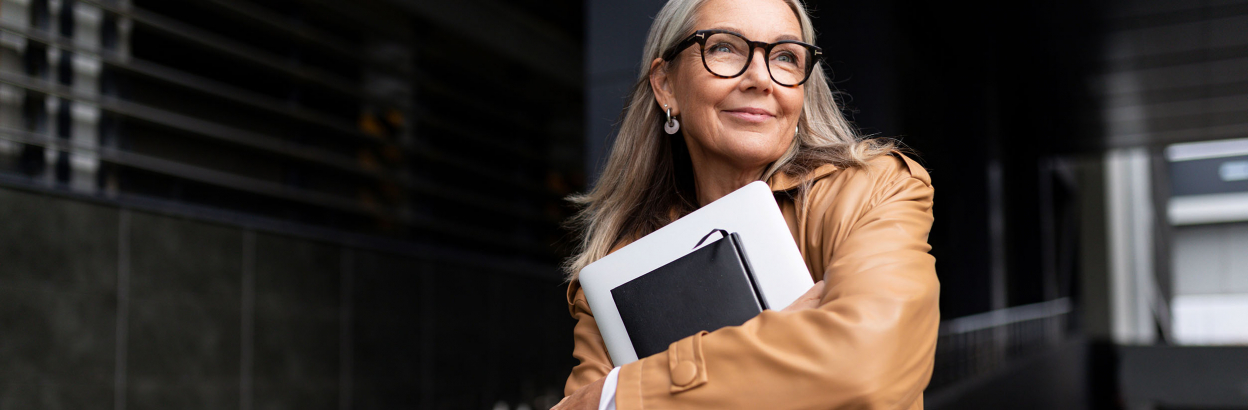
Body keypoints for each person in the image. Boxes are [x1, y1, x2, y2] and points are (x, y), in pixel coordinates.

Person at [555, 0, 939, 408]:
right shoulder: (616, 271)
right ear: (666, 84)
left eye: (786, 57)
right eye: (724, 47)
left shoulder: (873, 189)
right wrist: (787, 337)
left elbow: (867, 369)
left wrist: (623, 393)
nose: (761, 78)